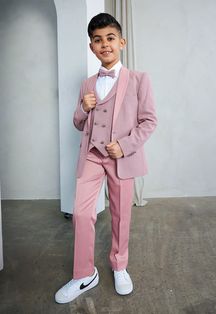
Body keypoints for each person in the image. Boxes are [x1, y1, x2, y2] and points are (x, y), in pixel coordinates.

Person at [55, 13, 157, 304]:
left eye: (110, 38)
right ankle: (84, 274)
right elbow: (78, 123)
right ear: (92, 47)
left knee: (121, 215)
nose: (105, 45)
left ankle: (119, 265)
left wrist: (124, 145)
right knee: (82, 213)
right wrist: (83, 109)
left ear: (121, 42)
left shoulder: (139, 80)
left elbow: (149, 121)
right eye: (97, 40)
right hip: (91, 155)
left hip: (121, 157)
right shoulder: (88, 84)